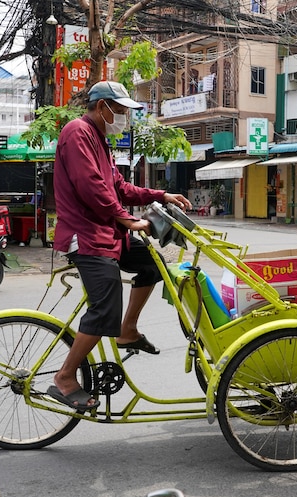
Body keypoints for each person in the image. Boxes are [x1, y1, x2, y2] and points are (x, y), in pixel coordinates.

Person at [48, 80, 192, 410]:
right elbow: (92, 188)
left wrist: (161, 195)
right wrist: (127, 220)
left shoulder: (100, 140)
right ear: (102, 107)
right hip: (85, 237)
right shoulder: (77, 132)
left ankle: (128, 330)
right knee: (105, 308)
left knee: (156, 261)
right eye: (122, 110)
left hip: (108, 236)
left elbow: (119, 187)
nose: (125, 116)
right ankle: (65, 377)